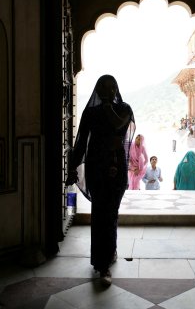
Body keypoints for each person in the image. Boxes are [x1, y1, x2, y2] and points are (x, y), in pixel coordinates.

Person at [65, 75, 135, 287]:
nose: (109, 90)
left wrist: (106, 106)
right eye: (104, 87)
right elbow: (81, 142)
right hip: (97, 167)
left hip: (116, 168)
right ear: (97, 89)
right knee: (99, 214)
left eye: (113, 86)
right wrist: (72, 167)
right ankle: (101, 263)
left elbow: (117, 123)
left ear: (117, 89)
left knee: (110, 213)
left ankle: (107, 255)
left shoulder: (124, 108)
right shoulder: (90, 113)